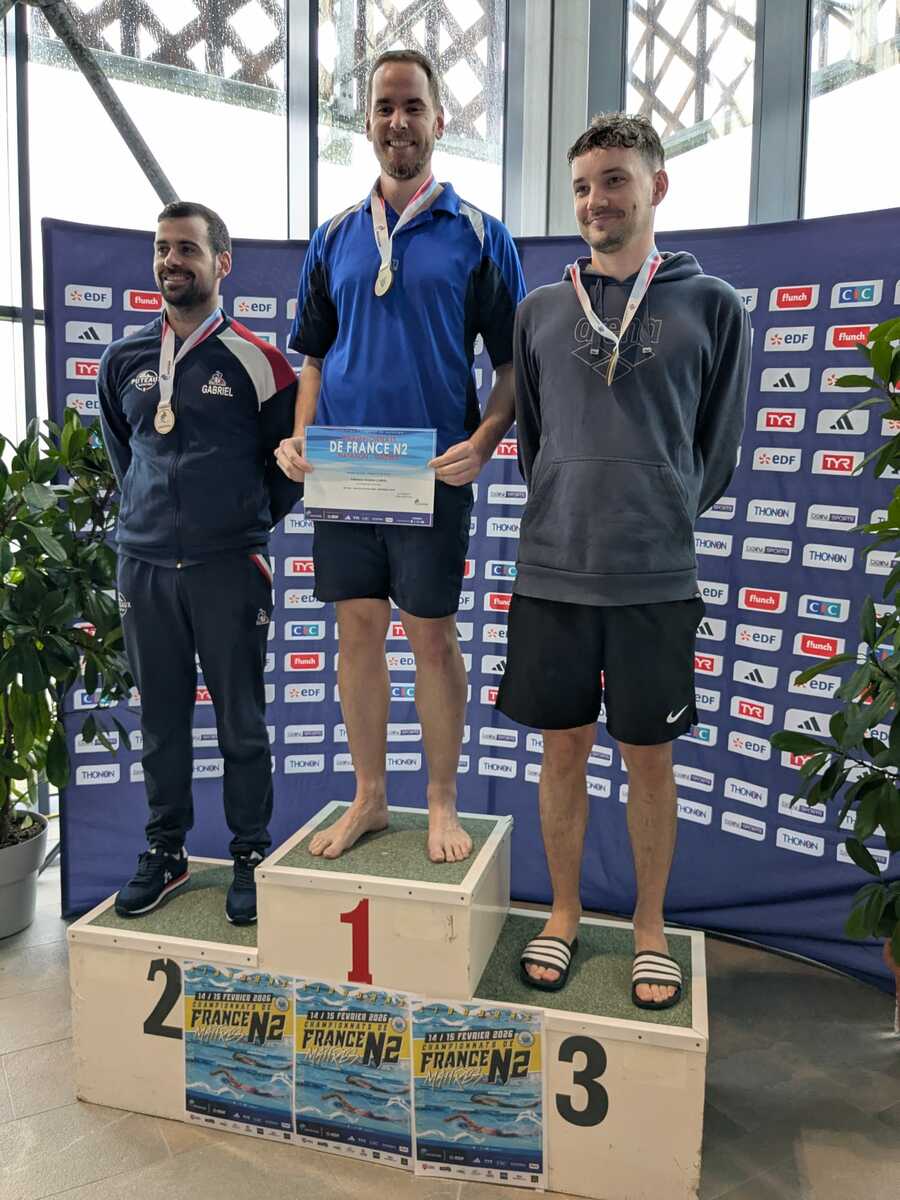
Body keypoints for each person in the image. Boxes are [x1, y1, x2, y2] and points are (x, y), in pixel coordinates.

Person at [497, 114, 750, 1008]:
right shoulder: (539, 310)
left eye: (614, 180)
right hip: (553, 574)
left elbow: (716, 451)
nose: (595, 200)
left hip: (655, 579)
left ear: (656, 187)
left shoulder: (713, 305)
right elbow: (533, 445)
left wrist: (657, 511)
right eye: (582, 186)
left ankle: (649, 927)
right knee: (562, 754)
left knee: (650, 761)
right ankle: (563, 914)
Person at [277, 49, 526, 864]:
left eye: (413, 106)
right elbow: (313, 359)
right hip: (346, 469)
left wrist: (483, 443)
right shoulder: (334, 236)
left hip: (428, 473)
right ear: (367, 122)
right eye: (384, 107)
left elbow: (512, 368)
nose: (398, 121)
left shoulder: (481, 234)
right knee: (357, 632)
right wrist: (301, 437)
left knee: (431, 636)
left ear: (439, 120)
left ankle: (442, 800)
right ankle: (371, 797)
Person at [99, 201, 301, 924]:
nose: (171, 261)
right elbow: (125, 456)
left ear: (222, 262)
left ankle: (249, 851)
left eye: (187, 248)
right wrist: (151, 521)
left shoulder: (261, 363)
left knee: (241, 721)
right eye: (162, 248)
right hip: (145, 567)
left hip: (228, 567)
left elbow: (288, 468)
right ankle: (166, 849)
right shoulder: (123, 360)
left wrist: (238, 525)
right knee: (160, 720)